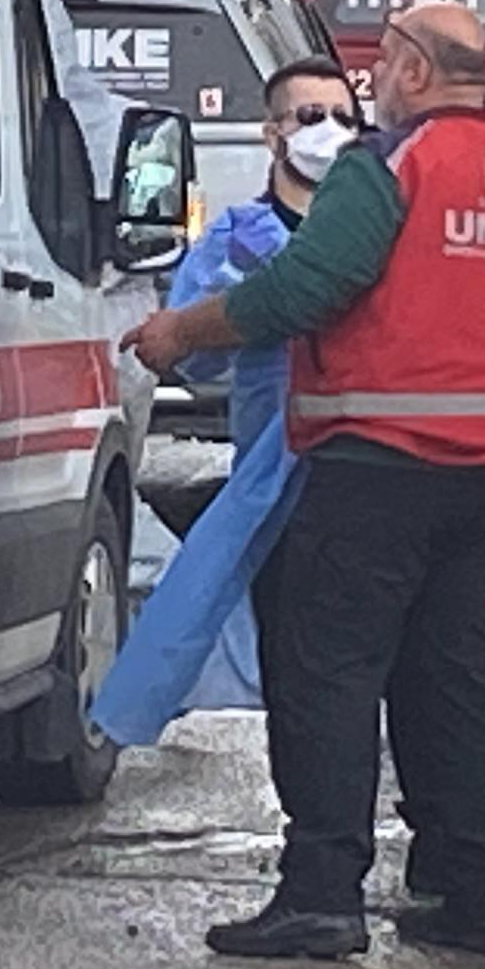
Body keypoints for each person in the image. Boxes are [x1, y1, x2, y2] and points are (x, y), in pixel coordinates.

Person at [126, 3, 485, 961]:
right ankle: (480, 894)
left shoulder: (387, 168)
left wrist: (181, 332)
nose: (371, 88)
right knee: (456, 672)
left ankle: (322, 894)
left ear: (412, 71)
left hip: (377, 467)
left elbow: (308, 287)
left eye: (382, 67)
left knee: (330, 672)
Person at [89, 59, 366, 745]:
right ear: (273, 134)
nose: (329, 131)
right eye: (310, 116)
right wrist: (225, 307)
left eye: (343, 117)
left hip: (359, 475)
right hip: (269, 477)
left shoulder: (374, 237)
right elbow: (194, 360)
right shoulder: (236, 239)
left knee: (348, 661)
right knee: (286, 657)